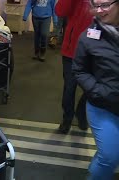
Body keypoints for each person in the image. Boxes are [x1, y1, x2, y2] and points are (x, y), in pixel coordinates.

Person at [72, 0, 119, 179]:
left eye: (105, 5)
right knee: (109, 157)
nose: (99, 11)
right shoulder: (89, 36)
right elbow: (79, 70)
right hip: (103, 105)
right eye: (95, 5)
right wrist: (99, 91)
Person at [55, 0, 93, 134]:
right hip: (72, 50)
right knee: (69, 88)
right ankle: (67, 119)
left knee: (93, 88)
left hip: (94, 51)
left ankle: (81, 112)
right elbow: (60, 11)